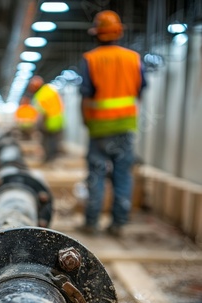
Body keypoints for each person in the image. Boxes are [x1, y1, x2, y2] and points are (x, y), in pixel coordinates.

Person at [79, 10, 147, 236]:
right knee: (122, 175)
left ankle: (92, 222)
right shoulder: (133, 58)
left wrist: (87, 121)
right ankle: (118, 224)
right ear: (119, 32)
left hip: (99, 128)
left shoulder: (91, 59)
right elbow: (140, 90)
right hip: (125, 127)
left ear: (96, 34)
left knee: (96, 175)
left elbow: (86, 95)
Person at [27, 75, 65, 161]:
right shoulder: (49, 89)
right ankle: (53, 157)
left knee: (47, 141)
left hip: (49, 120)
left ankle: (48, 158)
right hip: (58, 119)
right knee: (54, 141)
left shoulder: (41, 95)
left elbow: (41, 112)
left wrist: (37, 126)